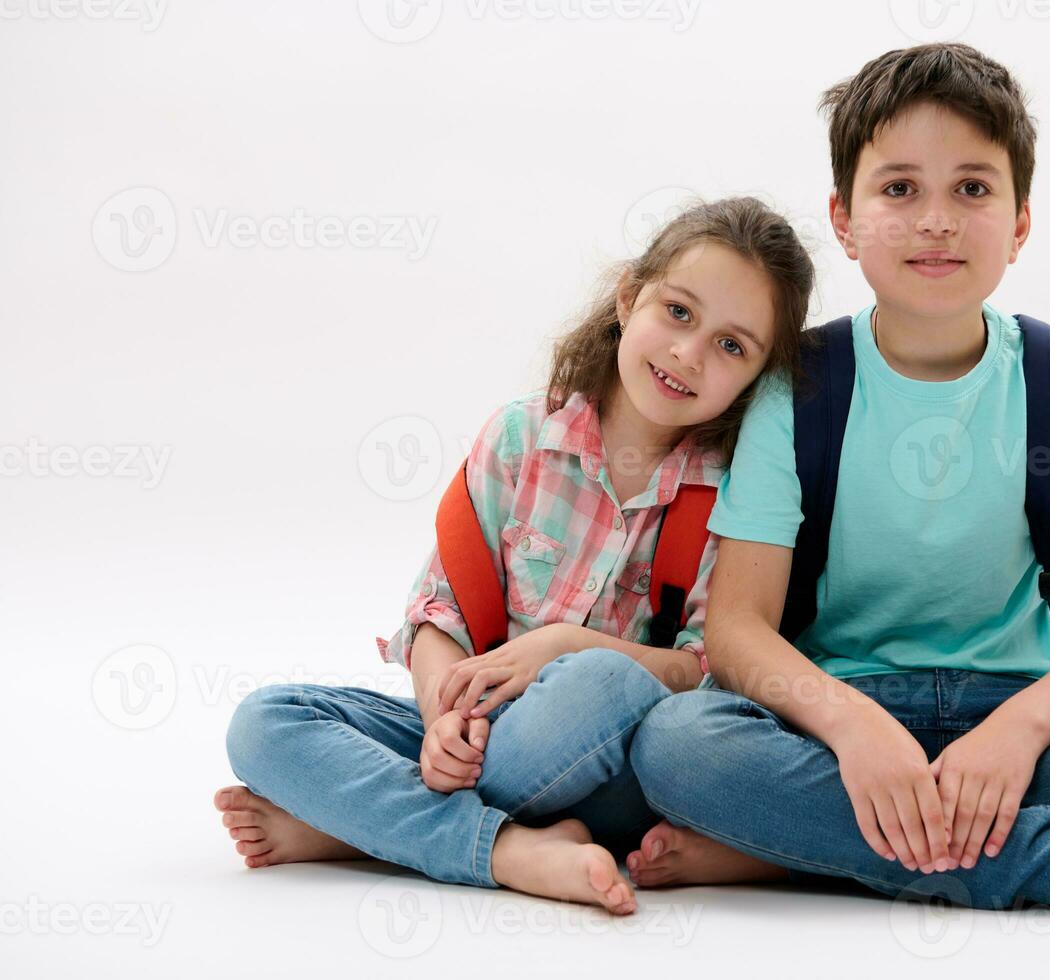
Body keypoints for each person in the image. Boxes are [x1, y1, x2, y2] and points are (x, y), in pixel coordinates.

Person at [624, 44, 1050, 940]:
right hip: (837, 716)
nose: (935, 220)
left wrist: (1015, 736)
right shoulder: (801, 387)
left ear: (1018, 223)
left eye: (972, 189)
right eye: (899, 189)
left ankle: (799, 847)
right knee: (679, 747)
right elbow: (738, 630)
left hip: (1029, 719)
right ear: (845, 219)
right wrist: (854, 732)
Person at [214, 195, 814, 915]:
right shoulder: (520, 436)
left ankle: (360, 827)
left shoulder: (733, 493)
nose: (689, 353)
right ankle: (508, 849)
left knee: (604, 683)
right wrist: (442, 717)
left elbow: (704, 670)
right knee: (266, 721)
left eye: (731, 346)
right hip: (475, 730)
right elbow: (442, 611)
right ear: (628, 296)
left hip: (607, 764)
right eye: (678, 313)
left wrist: (563, 645)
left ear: (757, 377)